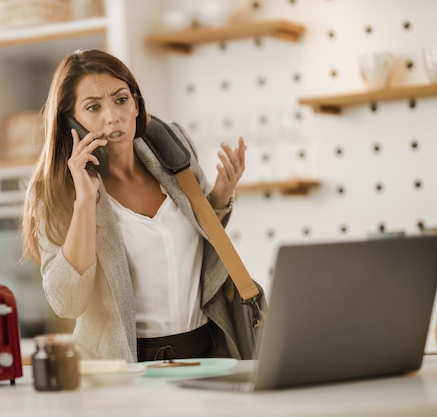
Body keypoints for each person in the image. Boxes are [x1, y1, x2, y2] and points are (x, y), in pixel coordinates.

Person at [22, 49, 264, 363]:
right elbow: (68, 302)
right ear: (70, 119)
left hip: (207, 356)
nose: (112, 116)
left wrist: (219, 195)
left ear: (136, 103)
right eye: (93, 107)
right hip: (126, 370)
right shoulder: (54, 191)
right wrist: (84, 202)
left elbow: (202, 242)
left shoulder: (172, 147)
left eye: (121, 99)